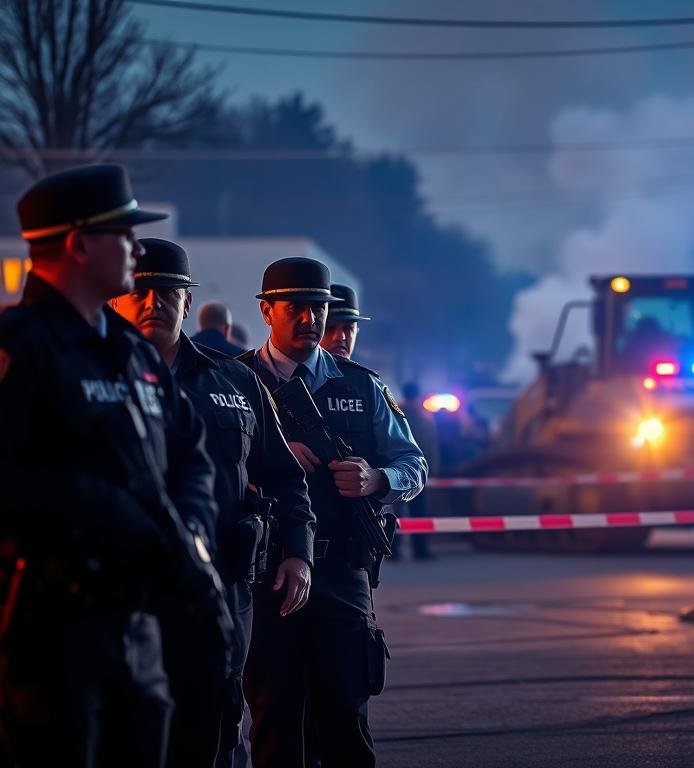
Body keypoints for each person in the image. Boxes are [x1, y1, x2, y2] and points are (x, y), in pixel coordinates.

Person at [0, 164, 224, 767]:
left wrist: (193, 535)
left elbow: (192, 458)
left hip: (140, 623)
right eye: (121, 234)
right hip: (52, 630)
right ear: (77, 246)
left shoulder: (133, 356)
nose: (134, 246)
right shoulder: (18, 347)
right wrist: (101, 510)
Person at [111, 238, 316, 768]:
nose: (155, 301)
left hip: (221, 586)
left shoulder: (235, 380)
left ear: (187, 301)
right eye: (141, 290)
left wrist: (299, 551)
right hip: (122, 589)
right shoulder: (91, 377)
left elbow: (285, 478)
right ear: (117, 299)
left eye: (168, 291)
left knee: (220, 721)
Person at [237, 257, 427, 767]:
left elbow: (413, 462)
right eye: (295, 307)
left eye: (317, 307)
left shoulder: (362, 386)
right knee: (275, 717)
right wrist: (263, 467)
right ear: (266, 311)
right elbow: (201, 469)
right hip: (264, 570)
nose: (310, 319)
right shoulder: (234, 382)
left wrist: (379, 479)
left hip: (343, 571)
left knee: (345, 712)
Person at [394, 382, 439, 560]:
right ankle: (420, 550)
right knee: (418, 512)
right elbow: (431, 445)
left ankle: (394, 550)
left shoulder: (395, 412)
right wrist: (433, 469)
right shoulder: (424, 417)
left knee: (396, 512)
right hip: (418, 471)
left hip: (397, 470)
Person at [320, 283, 370, 359]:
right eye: (330, 328)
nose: (340, 337)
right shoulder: (299, 370)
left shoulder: (361, 371)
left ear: (356, 332)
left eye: (348, 328)